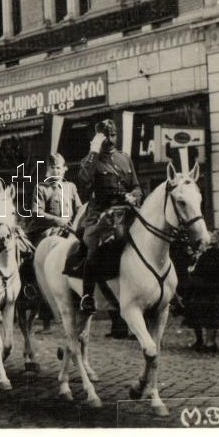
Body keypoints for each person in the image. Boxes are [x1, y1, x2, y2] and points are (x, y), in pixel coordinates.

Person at [77, 119, 143, 314]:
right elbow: (84, 180)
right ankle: (87, 296)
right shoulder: (91, 159)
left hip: (126, 211)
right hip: (100, 214)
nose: (110, 139)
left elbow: (137, 186)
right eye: (105, 136)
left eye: (113, 135)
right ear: (98, 138)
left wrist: (134, 195)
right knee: (93, 248)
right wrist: (93, 151)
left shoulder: (124, 157)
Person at [22, 153, 82, 332]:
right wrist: (57, 221)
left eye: (58, 167)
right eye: (52, 168)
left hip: (68, 230)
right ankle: (33, 291)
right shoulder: (41, 188)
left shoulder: (70, 187)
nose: (55, 171)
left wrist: (78, 222)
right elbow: (36, 212)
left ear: (64, 169)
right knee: (36, 259)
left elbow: (79, 208)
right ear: (47, 170)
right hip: (46, 230)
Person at [184, 230, 219, 353]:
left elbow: (204, 271)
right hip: (208, 290)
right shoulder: (209, 253)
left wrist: (192, 272)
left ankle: (209, 343)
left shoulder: (211, 253)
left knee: (210, 317)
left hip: (208, 290)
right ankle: (208, 342)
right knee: (208, 317)